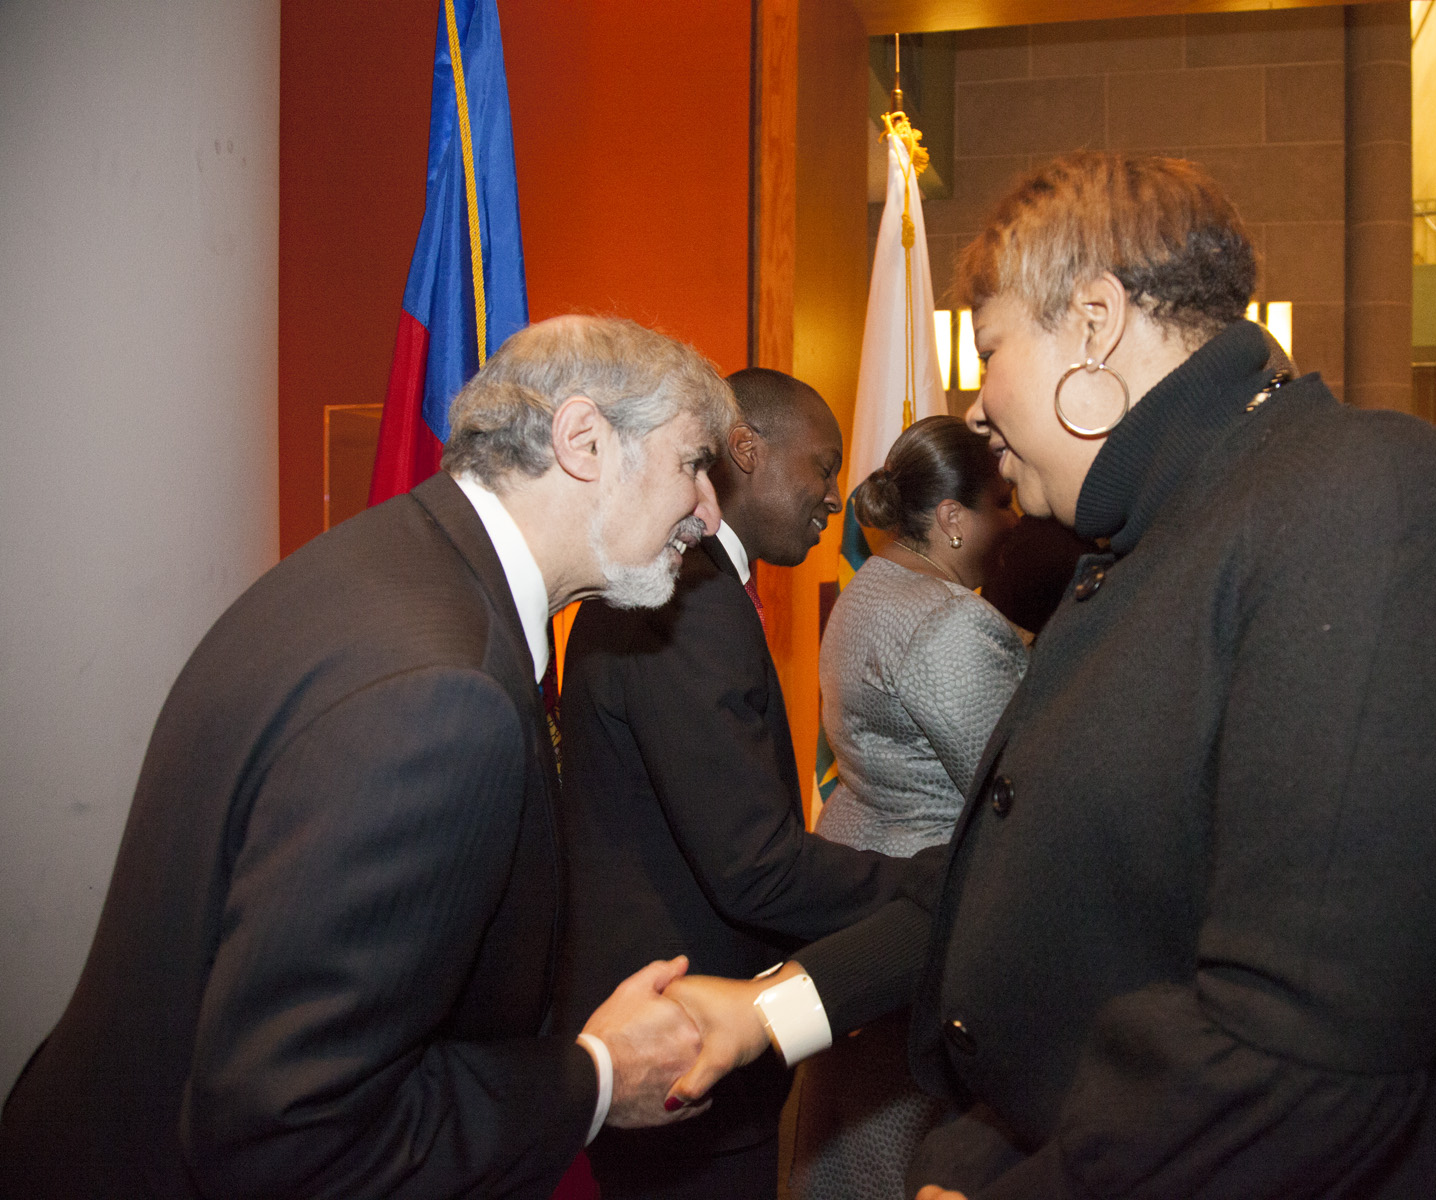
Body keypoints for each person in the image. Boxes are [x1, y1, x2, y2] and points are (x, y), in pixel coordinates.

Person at [660, 152, 1436, 1199]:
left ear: (1094, 323)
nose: (979, 410)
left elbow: (1297, 1060)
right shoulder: (1151, 543)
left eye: (991, 350)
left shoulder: (1375, 512)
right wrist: (771, 1009)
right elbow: (1011, 881)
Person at [0, 315, 733, 1198]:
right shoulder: (441, 699)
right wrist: (597, 1079)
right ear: (583, 441)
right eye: (694, 462)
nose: (708, 510)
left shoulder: (381, 565)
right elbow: (296, 1137)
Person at [551, 367, 911, 1200]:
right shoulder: (686, 595)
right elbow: (757, 868)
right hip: (679, 1043)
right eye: (823, 466)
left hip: (679, 1032)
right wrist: (933, 884)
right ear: (746, 449)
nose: (836, 498)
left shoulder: (689, 583)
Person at [792, 416, 1027, 1200]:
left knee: (856, 1132)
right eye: (1001, 502)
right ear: (954, 518)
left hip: (861, 870)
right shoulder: (951, 622)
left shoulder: (872, 584)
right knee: (910, 1149)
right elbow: (1013, 787)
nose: (1014, 519)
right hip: (924, 904)